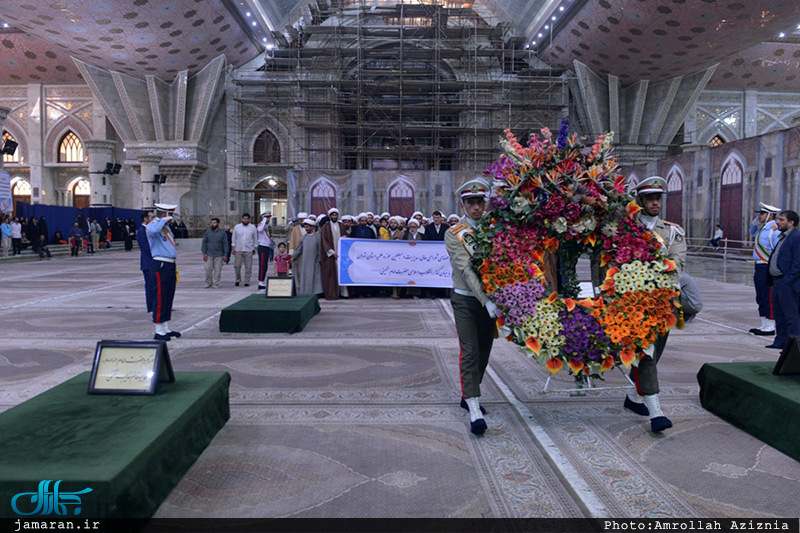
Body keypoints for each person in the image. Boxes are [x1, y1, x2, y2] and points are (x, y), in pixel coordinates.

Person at [626, 176, 687, 433]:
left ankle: (632, 396)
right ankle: (656, 412)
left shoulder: (672, 231)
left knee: (654, 351)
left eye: (657, 198)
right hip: (632, 301)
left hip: (663, 301)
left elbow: (677, 264)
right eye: (649, 198)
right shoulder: (626, 228)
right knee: (646, 353)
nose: (654, 202)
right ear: (639, 201)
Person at [445, 178, 497, 436]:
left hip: (492, 302)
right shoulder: (454, 233)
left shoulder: (494, 229)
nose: (476, 207)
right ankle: (474, 409)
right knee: (470, 351)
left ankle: (469, 393)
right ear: (463, 204)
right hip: (466, 299)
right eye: (471, 203)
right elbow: (465, 269)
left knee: (485, 352)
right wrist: (485, 299)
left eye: (480, 202)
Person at [146, 203, 181, 341]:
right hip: (160, 264)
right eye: (170, 215)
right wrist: (162, 220)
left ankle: (165, 326)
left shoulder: (165, 228)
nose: (172, 218)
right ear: (164, 214)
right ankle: (158, 330)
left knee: (168, 296)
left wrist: (165, 222)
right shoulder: (153, 225)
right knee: (160, 296)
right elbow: (153, 231)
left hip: (169, 265)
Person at [766, 210, 800, 350]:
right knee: (779, 314)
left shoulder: (796, 237)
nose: (777, 222)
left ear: (791, 223)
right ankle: (780, 341)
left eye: (781, 220)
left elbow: (797, 262)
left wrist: (788, 280)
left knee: (791, 316)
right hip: (778, 282)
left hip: (788, 283)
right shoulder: (783, 237)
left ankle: (793, 348)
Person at [749, 203, 781, 336]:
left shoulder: (774, 230)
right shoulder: (762, 229)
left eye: (762, 214)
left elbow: (778, 250)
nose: (759, 216)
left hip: (767, 265)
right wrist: (756, 221)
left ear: (770, 215)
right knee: (760, 295)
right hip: (759, 265)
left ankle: (770, 325)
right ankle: (763, 323)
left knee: (768, 295)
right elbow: (752, 232)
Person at [320, 207, 345, 300]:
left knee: (341, 273)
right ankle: (332, 294)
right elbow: (324, 241)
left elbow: (346, 236)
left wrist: (345, 237)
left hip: (341, 254)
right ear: (330, 216)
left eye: (336, 215)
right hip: (330, 255)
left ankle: (343, 293)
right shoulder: (326, 227)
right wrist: (332, 252)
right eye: (333, 215)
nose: (334, 216)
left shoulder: (341, 225)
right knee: (331, 275)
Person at [292, 219, 323, 295]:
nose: (306, 229)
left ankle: (317, 292)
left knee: (316, 277)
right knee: (306, 277)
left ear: (312, 227)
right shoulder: (303, 238)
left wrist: (320, 259)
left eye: (307, 227)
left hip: (315, 261)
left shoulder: (318, 237)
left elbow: (320, 249)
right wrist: (293, 257)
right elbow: (299, 249)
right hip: (305, 262)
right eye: (305, 227)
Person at [201, 217, 230, 289]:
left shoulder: (222, 233)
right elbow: (204, 243)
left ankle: (216, 283)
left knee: (217, 270)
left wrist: (225, 254)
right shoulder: (207, 232)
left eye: (214, 223)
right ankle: (208, 283)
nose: (212, 224)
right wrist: (204, 253)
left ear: (218, 224)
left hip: (219, 255)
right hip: (209, 254)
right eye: (212, 223)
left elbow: (225, 244)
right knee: (208, 269)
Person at [232, 213, 258, 287]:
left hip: (249, 249)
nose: (245, 220)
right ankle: (238, 279)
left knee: (248, 267)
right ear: (242, 219)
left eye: (247, 219)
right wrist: (233, 247)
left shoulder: (253, 227)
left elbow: (255, 238)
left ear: (249, 219)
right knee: (237, 266)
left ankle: (247, 281)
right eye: (244, 218)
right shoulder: (237, 227)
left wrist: (255, 247)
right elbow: (234, 237)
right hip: (238, 249)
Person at [137, 210, 155, 314]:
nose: (153, 220)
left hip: (153, 262)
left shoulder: (149, 230)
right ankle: (151, 307)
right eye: (151, 217)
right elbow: (147, 248)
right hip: (148, 263)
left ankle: (156, 305)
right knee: (150, 286)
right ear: (145, 219)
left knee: (155, 285)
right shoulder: (141, 231)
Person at [256, 211, 274, 290]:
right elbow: (259, 230)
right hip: (262, 247)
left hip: (267, 247)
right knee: (262, 265)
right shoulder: (261, 225)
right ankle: (260, 282)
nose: (269, 219)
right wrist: (263, 220)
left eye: (269, 218)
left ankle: (262, 280)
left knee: (265, 265)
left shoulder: (267, 226)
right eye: (267, 218)